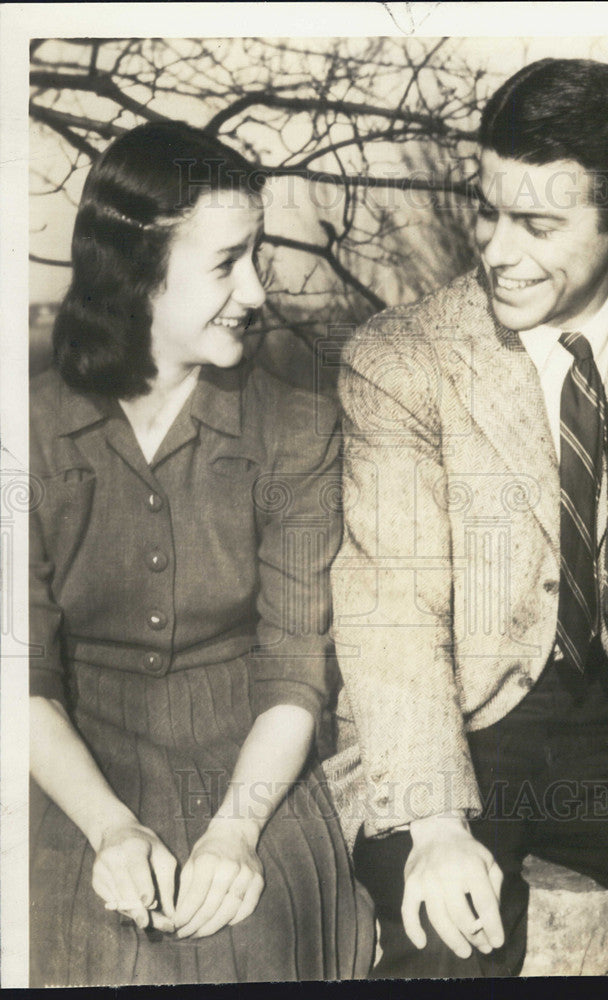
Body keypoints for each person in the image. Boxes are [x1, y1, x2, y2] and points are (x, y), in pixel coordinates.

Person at [330, 58, 608, 978]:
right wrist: (436, 826)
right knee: (448, 939)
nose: (497, 249)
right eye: (488, 210)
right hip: (460, 721)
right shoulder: (399, 357)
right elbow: (392, 606)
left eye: (538, 224)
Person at [29, 121, 374, 986]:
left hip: (251, 746)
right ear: (134, 272)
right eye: (227, 263)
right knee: (86, 940)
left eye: (256, 257)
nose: (256, 292)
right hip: (66, 745)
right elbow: (19, 670)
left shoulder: (297, 429)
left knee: (244, 937)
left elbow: (294, 670)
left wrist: (236, 828)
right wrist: (108, 827)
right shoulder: (22, 430)